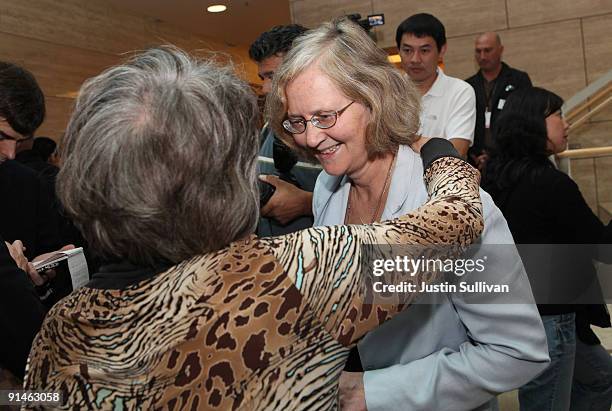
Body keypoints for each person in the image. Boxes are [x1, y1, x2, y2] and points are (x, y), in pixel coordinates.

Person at [24, 46, 485, 410]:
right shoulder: (289, 275)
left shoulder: (59, 326)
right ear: (223, 186)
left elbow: (36, 398)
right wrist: (441, 153)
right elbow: (457, 220)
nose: (308, 137)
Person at [266, 18, 549, 411]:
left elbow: (517, 352)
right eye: (297, 122)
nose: (311, 138)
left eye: (325, 116)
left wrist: (373, 392)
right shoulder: (328, 192)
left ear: (374, 98)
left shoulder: (454, 206)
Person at [482, 86, 612, 411]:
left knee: (600, 378)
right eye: (558, 115)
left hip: (514, 312)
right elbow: (602, 247)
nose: (565, 124)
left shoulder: (494, 177)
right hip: (551, 320)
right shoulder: (550, 184)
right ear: (535, 123)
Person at [249, 24, 320, 235]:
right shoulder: (268, 127)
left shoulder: (337, 129)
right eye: (263, 78)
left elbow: (374, 201)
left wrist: (306, 203)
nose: (265, 88)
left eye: (273, 76)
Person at [396, 13, 476, 158]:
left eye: (424, 51)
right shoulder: (389, 91)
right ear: (398, 51)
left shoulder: (460, 91)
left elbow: (456, 152)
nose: (415, 59)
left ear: (442, 50)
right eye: (407, 50)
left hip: (441, 180)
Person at [466, 32, 532, 170]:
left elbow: (525, 122)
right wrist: (474, 154)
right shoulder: (467, 86)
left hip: (511, 162)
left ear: (501, 50)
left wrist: (494, 155)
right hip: (475, 163)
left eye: (488, 50)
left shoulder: (518, 80)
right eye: (478, 51)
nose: (482, 56)